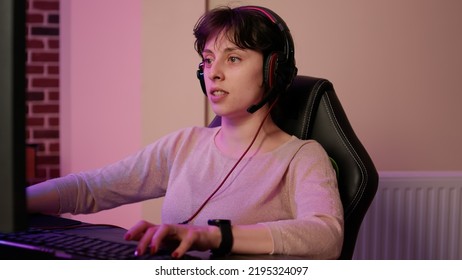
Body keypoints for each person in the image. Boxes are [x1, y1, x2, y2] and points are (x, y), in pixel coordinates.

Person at [27, 5, 344, 259]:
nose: (213, 73)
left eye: (233, 58)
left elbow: (326, 236)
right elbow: (91, 188)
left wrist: (215, 235)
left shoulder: (302, 156)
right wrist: (14, 201)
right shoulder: (185, 144)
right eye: (207, 60)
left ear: (272, 71)